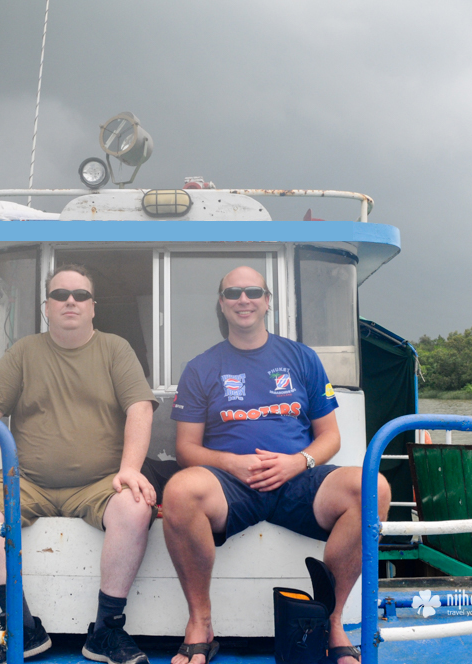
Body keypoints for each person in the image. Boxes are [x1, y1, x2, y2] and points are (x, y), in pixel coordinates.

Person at [162, 266, 392, 664]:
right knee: (180, 490)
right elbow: (186, 450)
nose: (243, 299)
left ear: (268, 301)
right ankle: (200, 623)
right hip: (230, 485)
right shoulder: (201, 366)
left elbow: (330, 439)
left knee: (375, 488)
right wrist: (230, 464)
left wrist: (296, 463)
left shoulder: (301, 358)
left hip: (297, 481)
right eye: (233, 292)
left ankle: (332, 621)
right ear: (222, 303)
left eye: (253, 291)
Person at [0, 264, 158, 664]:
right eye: (60, 295)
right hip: (29, 481)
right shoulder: (24, 352)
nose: (71, 301)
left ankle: (107, 630)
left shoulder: (115, 349)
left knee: (136, 506)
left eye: (80, 295)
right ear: (47, 305)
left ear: (93, 307)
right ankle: (22, 628)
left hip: (99, 483)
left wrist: (130, 468)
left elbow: (139, 407)